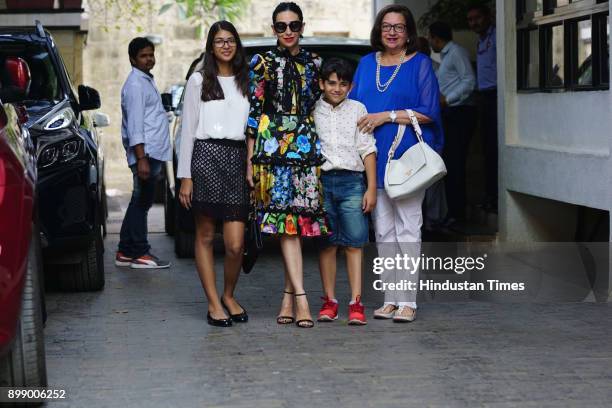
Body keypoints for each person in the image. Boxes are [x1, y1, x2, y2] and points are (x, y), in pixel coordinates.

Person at [349, 4, 444, 322]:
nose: (391, 32)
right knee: (383, 230)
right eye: (386, 26)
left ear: (408, 33)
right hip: (374, 159)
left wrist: (386, 116)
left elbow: (429, 110)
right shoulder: (365, 64)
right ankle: (390, 299)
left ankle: (408, 302)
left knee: (407, 228)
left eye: (398, 27)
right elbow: (354, 107)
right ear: (379, 31)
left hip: (406, 159)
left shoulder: (419, 65)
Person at [246, 2, 329, 328]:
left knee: (295, 225)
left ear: (302, 26)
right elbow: (253, 114)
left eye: (294, 25)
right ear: (273, 29)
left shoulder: (315, 64)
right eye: (281, 26)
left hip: (306, 151)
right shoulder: (261, 63)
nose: (288, 32)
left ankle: (287, 297)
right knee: (286, 226)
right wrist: (250, 162)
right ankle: (302, 300)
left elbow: (323, 107)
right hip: (271, 154)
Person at [177, 21, 250, 328]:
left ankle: (229, 295)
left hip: (235, 158)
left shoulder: (247, 80)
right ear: (210, 46)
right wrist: (185, 176)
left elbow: (253, 129)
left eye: (230, 40)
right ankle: (212, 303)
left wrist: (250, 163)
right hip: (205, 158)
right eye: (219, 41)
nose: (225, 46)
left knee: (235, 243)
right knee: (205, 235)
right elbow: (188, 130)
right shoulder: (198, 80)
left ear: (237, 45)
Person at [313, 58, 377, 326]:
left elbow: (367, 148)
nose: (337, 89)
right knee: (327, 244)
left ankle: (356, 301)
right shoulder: (313, 109)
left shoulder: (358, 109)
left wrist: (371, 187)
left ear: (350, 86)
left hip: (352, 182)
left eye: (342, 84)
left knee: (354, 243)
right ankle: (330, 301)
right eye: (331, 83)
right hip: (321, 183)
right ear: (321, 83)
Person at [116, 37, 171, 269]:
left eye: (151, 54)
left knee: (139, 201)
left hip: (151, 153)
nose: (149, 59)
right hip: (145, 154)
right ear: (132, 59)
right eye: (143, 56)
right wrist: (141, 159)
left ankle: (126, 251)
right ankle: (140, 252)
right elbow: (135, 126)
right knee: (142, 203)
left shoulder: (145, 80)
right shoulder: (136, 85)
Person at [428, 21, 477, 226]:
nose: (430, 42)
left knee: (455, 163)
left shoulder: (457, 52)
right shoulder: (445, 57)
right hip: (450, 113)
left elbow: (469, 81)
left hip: (460, 112)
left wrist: (448, 99)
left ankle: (458, 214)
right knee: (450, 163)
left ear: (436, 38)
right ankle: (453, 212)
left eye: (430, 38)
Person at [467, 4, 498, 213]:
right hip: (484, 97)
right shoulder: (481, 40)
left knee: (494, 149)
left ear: (488, 17)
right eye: (470, 20)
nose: (474, 23)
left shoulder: (496, 36)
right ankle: (489, 196)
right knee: (487, 148)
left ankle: (495, 198)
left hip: (497, 95)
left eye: (477, 18)